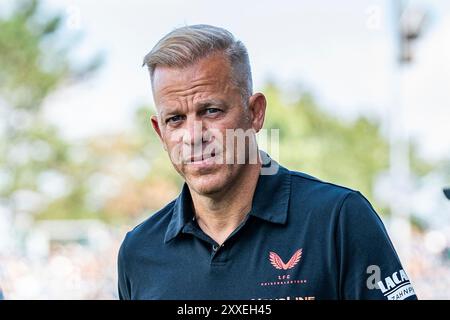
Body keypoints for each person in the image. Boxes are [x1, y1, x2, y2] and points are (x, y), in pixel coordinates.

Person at [118, 24, 417, 300]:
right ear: (160, 132)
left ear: (255, 113)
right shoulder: (138, 250)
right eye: (176, 119)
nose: (193, 136)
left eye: (211, 111)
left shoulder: (338, 219)